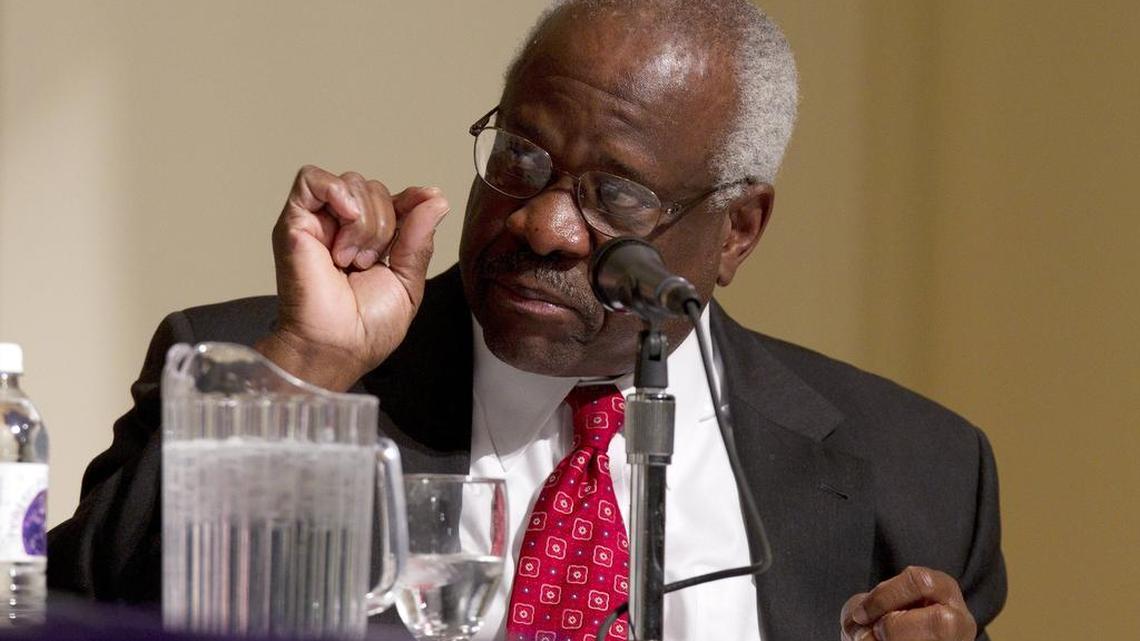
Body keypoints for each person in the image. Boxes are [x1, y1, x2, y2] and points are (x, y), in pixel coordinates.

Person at [47, 1, 1006, 640]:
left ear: (737, 230)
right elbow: (84, 612)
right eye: (521, 155)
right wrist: (307, 368)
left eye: (617, 196)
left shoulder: (916, 472)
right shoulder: (271, 378)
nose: (543, 222)